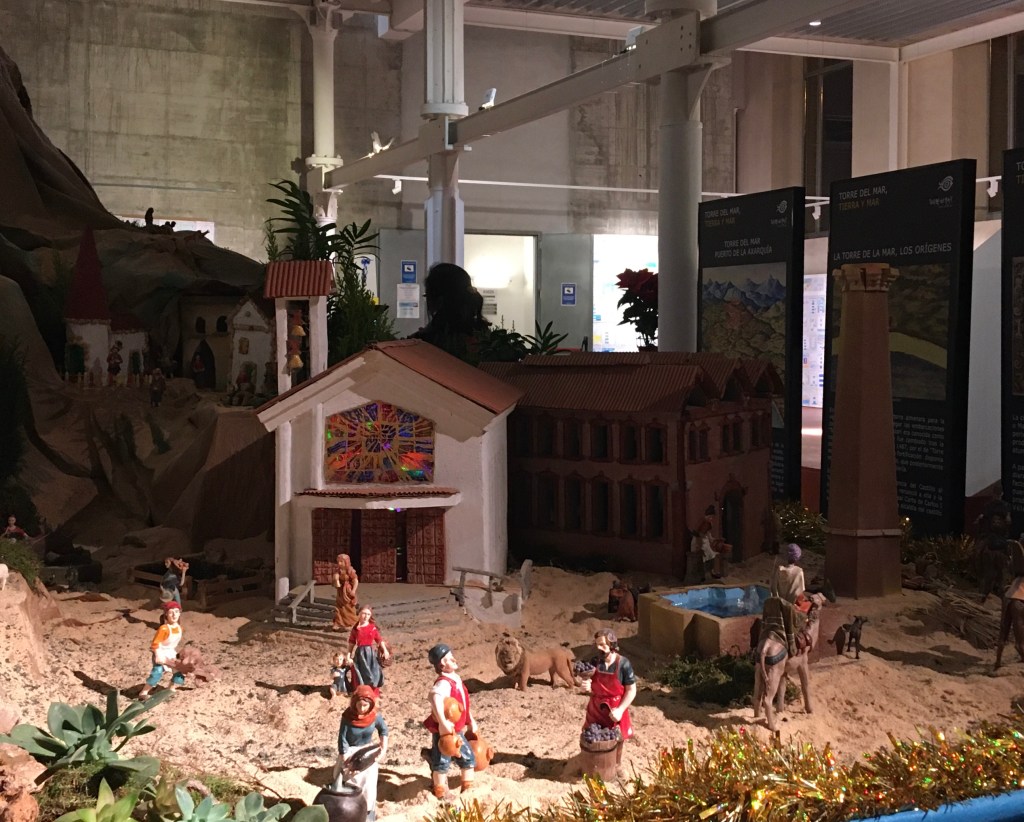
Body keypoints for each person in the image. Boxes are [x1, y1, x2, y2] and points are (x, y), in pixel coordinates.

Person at [424, 643, 477, 799]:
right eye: (448, 658)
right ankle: (440, 790)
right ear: (441, 664)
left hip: (457, 730)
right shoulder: (444, 683)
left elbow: (462, 704)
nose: (453, 659)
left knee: (467, 757)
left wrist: (470, 720)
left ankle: (468, 788)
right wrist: (443, 722)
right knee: (442, 760)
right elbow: (434, 697)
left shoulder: (455, 679)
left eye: (452, 656)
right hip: (446, 731)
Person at [332, 684, 389, 822]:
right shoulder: (347, 717)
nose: (362, 709)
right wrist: (345, 757)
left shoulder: (374, 716)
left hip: (367, 752)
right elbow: (342, 738)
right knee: (349, 780)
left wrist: (383, 746)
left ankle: (368, 811)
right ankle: (348, 811)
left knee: (369, 783)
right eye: (359, 705)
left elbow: (383, 730)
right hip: (350, 752)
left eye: (365, 706)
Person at [584, 629, 636, 754]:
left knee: (617, 738)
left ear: (611, 645)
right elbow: (591, 683)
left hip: (615, 708)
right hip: (596, 708)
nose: (599, 648)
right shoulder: (594, 662)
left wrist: (620, 710)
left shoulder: (623, 664)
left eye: (602, 644)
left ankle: (616, 762)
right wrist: (587, 686)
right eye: (597, 644)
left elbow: (631, 690)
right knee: (591, 738)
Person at [138, 601, 185, 698]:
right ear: (166, 614)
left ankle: (171, 688)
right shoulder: (164, 629)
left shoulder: (180, 628)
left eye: (176, 612)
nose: (174, 615)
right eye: (171, 612)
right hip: (160, 652)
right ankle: (144, 692)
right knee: (158, 672)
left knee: (179, 671)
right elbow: (155, 643)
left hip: (171, 653)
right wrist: (158, 655)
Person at [348, 605, 390, 691]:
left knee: (373, 672)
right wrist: (349, 655)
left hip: (370, 654)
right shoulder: (356, 629)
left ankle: (373, 690)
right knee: (360, 672)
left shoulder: (372, 627)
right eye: (364, 613)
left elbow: (379, 639)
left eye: (368, 614)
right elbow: (351, 642)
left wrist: (385, 650)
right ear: (359, 614)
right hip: (360, 654)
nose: (366, 616)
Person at [692, 504, 730, 579]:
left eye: (712, 517)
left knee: (712, 555)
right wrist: (699, 545)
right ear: (708, 515)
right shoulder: (704, 522)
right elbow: (700, 535)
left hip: (704, 542)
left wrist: (715, 540)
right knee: (709, 555)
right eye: (711, 517)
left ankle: (711, 572)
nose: (711, 518)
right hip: (698, 542)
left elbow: (709, 536)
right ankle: (706, 573)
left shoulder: (708, 523)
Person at [332, 554, 359, 630]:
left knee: (348, 607)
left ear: (346, 562)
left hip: (347, 591)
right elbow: (335, 581)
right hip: (340, 591)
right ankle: (338, 623)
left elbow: (355, 581)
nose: (339, 563)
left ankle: (351, 623)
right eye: (338, 561)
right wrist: (335, 579)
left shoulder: (350, 571)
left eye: (341, 561)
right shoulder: (338, 571)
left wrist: (353, 590)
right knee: (339, 607)